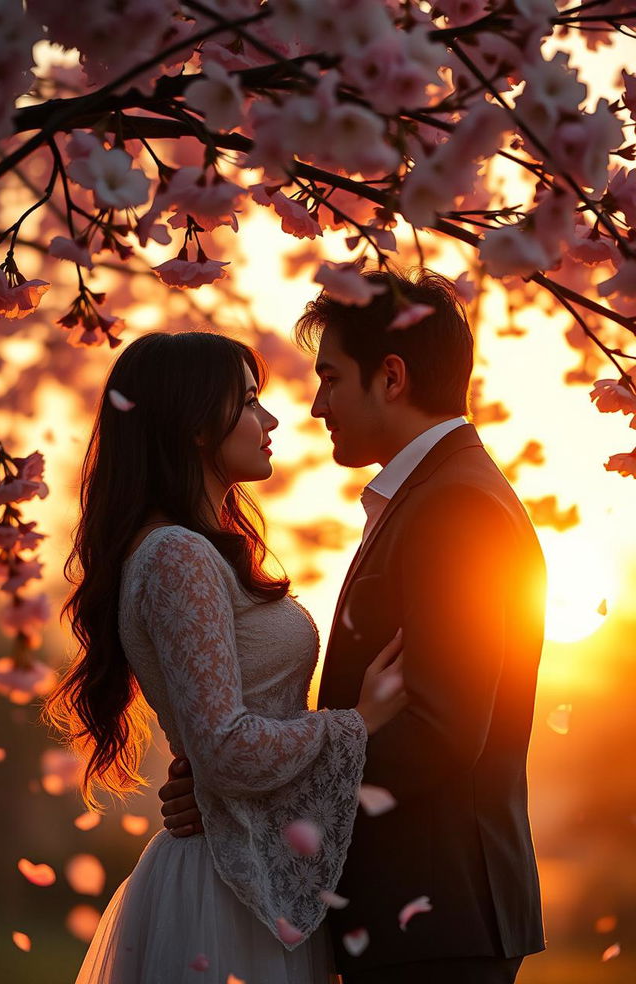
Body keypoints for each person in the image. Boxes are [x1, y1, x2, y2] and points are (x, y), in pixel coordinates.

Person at [161, 269, 547, 984]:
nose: (314, 405)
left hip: (436, 917)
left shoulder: (455, 506)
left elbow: (440, 730)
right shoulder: (433, 496)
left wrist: (250, 790)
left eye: (331, 378)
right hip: (417, 914)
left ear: (392, 376)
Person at [45, 330, 408, 984]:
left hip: (246, 865)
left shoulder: (194, 549)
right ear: (192, 425)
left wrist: (210, 782)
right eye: (247, 402)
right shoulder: (177, 555)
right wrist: (360, 722)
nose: (270, 420)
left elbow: (216, 749)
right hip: (223, 895)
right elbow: (227, 747)